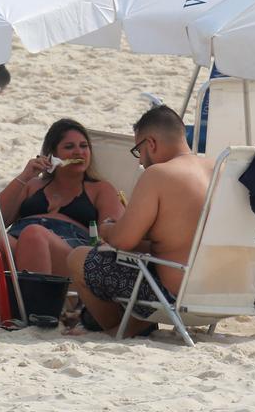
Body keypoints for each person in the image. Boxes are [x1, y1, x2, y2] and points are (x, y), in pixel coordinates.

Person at [67, 105, 215, 337]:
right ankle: (134, 323)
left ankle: (120, 329)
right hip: (222, 292)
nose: (141, 162)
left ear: (151, 143)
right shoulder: (219, 168)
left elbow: (122, 241)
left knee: (78, 258)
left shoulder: (158, 174)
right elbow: (179, 240)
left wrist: (107, 228)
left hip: (174, 295)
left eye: (138, 151)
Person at [0, 119, 124, 278]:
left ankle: (36, 301)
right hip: (19, 243)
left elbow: (115, 233)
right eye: (69, 147)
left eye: (84, 146)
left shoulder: (100, 188)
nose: (78, 152)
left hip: (69, 251)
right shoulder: (33, 185)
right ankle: (0, 299)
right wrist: (25, 176)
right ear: (52, 154)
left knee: (34, 235)